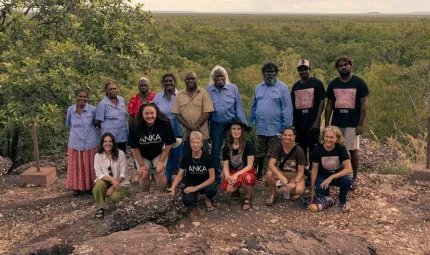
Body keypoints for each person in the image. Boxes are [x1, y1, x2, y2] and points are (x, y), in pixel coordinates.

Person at [325, 56, 369, 190]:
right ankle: (335, 176)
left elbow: (363, 105)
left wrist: (360, 124)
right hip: (337, 123)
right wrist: (327, 125)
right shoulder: (333, 84)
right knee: (334, 149)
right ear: (337, 68)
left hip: (352, 123)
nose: (343, 67)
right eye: (340, 66)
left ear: (350, 65)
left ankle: (354, 178)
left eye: (345, 65)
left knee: (353, 150)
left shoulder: (359, 83)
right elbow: (329, 105)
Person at [248, 62, 293, 179]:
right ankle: (259, 172)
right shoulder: (258, 88)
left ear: (276, 73)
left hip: (276, 128)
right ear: (263, 73)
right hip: (261, 127)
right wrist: (249, 122)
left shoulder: (282, 88)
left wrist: (286, 128)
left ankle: (273, 174)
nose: (270, 74)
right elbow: (253, 106)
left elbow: (287, 109)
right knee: (259, 152)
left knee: (275, 153)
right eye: (267, 72)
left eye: (272, 72)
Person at [206, 66, 246, 183]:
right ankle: (217, 176)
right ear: (213, 78)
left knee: (234, 149)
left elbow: (238, 107)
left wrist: (242, 124)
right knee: (216, 151)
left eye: (221, 75)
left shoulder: (233, 88)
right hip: (216, 125)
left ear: (225, 76)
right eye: (217, 76)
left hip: (230, 125)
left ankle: (235, 173)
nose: (219, 78)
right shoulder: (208, 90)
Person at [128, 102, 177, 192]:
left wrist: (161, 161)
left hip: (158, 152)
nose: (150, 116)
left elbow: (169, 143)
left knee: (160, 172)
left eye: (152, 113)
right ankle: (145, 195)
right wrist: (142, 165)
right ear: (141, 114)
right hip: (142, 153)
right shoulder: (135, 126)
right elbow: (134, 147)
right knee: (144, 174)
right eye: (146, 113)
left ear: (156, 113)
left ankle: (161, 194)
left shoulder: (164, 123)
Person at [169, 131, 217, 212]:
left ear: (202, 143)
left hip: (205, 183)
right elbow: (180, 175)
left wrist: (196, 188)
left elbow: (212, 178)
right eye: (193, 142)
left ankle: (207, 198)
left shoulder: (208, 157)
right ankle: (196, 196)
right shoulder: (186, 156)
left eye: (198, 142)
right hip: (191, 183)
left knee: (212, 189)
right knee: (187, 201)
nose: (195, 145)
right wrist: (172, 187)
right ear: (190, 143)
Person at [291, 59, 326, 166]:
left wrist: (317, 121)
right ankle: (304, 170)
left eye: (305, 69)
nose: (303, 71)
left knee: (313, 148)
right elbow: (292, 106)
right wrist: (292, 124)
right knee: (301, 148)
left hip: (312, 123)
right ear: (298, 71)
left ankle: (313, 170)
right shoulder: (295, 86)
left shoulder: (317, 83)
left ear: (309, 69)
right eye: (301, 70)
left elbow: (321, 102)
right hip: (299, 123)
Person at [310, 126, 353, 212]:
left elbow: (348, 169)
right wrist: (312, 189)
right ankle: (328, 199)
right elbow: (314, 170)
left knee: (347, 180)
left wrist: (331, 177)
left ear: (337, 138)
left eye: (332, 137)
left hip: (337, 175)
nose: (329, 139)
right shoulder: (317, 150)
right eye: (327, 137)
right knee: (320, 188)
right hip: (324, 175)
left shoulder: (341, 149)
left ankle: (342, 201)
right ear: (323, 137)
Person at [66, 89, 99, 196]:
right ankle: (77, 188)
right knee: (77, 166)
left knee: (91, 166)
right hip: (75, 143)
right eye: (80, 96)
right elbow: (69, 123)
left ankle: (91, 187)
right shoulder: (71, 110)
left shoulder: (93, 110)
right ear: (76, 97)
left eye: (85, 97)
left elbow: (96, 124)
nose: (82, 99)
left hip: (90, 142)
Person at [172, 72, 214, 154]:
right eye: (188, 79)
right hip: (187, 135)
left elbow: (207, 113)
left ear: (197, 80)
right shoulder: (179, 95)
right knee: (188, 159)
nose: (191, 80)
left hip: (202, 134)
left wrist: (195, 127)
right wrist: (189, 127)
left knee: (203, 158)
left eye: (193, 78)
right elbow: (177, 114)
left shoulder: (204, 93)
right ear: (184, 80)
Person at [154, 73, 184, 186]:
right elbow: (154, 113)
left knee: (179, 153)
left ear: (175, 82)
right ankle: (166, 178)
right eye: (166, 81)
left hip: (179, 129)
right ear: (163, 83)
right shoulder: (157, 97)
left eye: (171, 81)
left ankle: (179, 178)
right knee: (167, 153)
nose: (168, 83)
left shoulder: (181, 95)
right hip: (163, 129)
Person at [220, 118, 255, 210]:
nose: (236, 131)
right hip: (232, 171)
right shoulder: (226, 147)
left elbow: (249, 165)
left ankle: (247, 196)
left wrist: (236, 175)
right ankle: (236, 191)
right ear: (230, 131)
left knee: (247, 178)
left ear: (242, 130)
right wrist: (228, 176)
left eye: (238, 129)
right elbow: (226, 166)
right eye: (234, 129)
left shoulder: (248, 144)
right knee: (229, 188)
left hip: (246, 171)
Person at [265, 127, 306, 206]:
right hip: (283, 173)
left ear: (294, 137)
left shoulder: (299, 150)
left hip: (295, 174)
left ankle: (287, 189)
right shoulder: (279, 147)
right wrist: (280, 176)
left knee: (299, 190)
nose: (287, 137)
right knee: (269, 174)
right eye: (285, 135)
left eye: (290, 135)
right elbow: (270, 164)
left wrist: (295, 183)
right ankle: (273, 194)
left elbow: (301, 172)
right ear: (282, 136)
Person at [93, 133, 129, 219]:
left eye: (110, 141)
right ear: (102, 143)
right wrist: (112, 180)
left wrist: (112, 187)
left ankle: (124, 194)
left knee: (114, 197)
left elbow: (123, 173)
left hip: (121, 182)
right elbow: (99, 174)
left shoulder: (120, 154)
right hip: (107, 181)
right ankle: (101, 207)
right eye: (105, 141)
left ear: (113, 143)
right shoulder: (98, 155)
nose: (107, 144)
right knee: (98, 185)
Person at [95, 80, 128, 153]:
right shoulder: (102, 104)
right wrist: (108, 128)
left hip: (122, 136)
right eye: (110, 89)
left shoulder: (121, 100)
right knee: (111, 159)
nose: (113, 91)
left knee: (122, 158)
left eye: (114, 88)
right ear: (106, 91)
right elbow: (97, 122)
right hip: (109, 139)